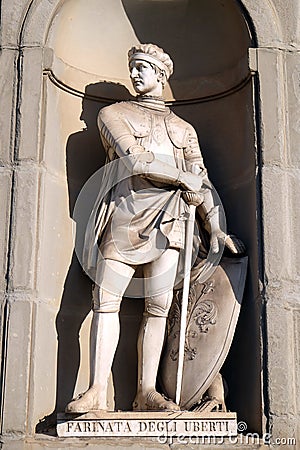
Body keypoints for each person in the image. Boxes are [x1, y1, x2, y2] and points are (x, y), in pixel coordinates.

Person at [66, 43, 234, 413]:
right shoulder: (113, 115)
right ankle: (96, 390)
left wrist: (215, 227)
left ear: (161, 75)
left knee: (158, 306)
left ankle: (146, 391)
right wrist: (182, 179)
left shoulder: (183, 129)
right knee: (105, 302)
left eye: (143, 67)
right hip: (125, 216)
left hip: (171, 221)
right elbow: (135, 160)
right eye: (133, 67)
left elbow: (200, 180)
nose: (135, 74)